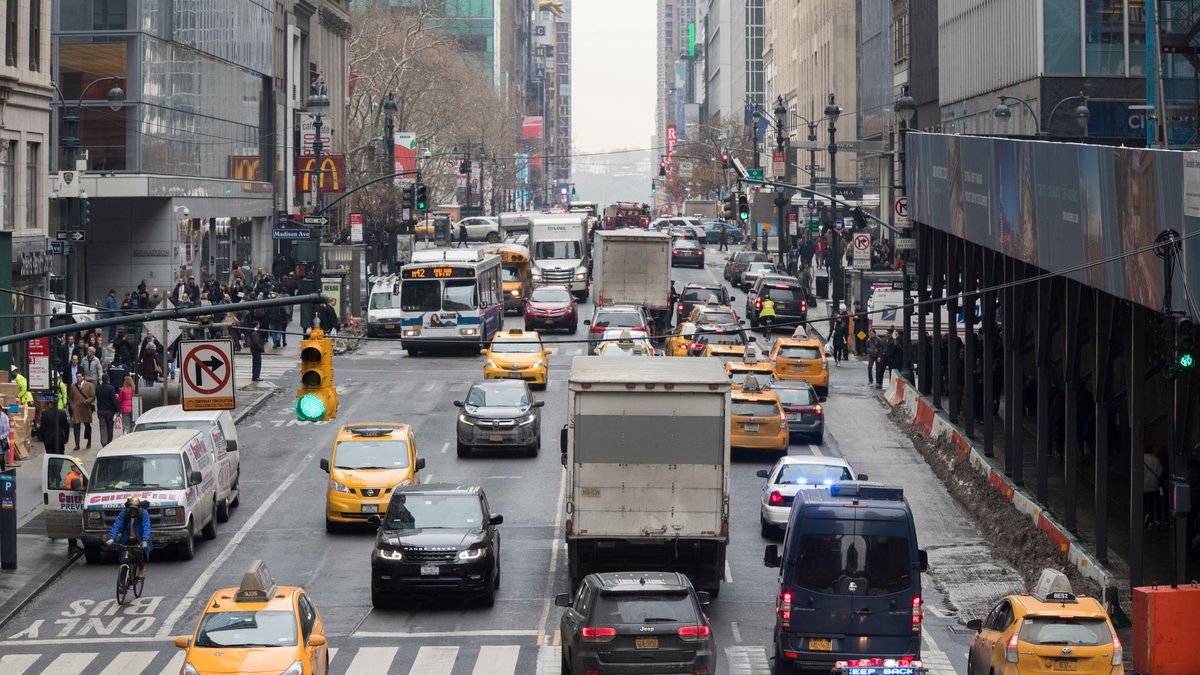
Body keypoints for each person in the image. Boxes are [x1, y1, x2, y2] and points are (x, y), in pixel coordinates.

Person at [105, 497, 152, 581]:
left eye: (135, 509)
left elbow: (146, 527)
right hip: (127, 538)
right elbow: (117, 525)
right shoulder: (124, 513)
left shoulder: (143, 513)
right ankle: (122, 584)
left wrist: (145, 540)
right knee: (124, 559)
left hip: (139, 539)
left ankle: (142, 568)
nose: (133, 511)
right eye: (131, 509)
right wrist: (112, 538)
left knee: (138, 551)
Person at [68, 371, 96, 451]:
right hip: (76, 408)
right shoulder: (73, 386)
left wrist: (88, 401)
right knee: (76, 426)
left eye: (80, 377)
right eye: (77, 377)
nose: (78, 378)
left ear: (83, 377)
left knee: (87, 425)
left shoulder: (89, 385)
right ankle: (77, 444)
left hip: (85, 408)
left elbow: (92, 396)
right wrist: (72, 405)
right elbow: (71, 397)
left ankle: (89, 440)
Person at [95, 374, 119, 447]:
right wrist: (117, 409)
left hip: (101, 410)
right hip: (109, 410)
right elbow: (113, 400)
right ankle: (109, 441)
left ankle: (103, 442)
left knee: (102, 427)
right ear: (108, 379)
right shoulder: (111, 388)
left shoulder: (98, 388)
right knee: (110, 426)